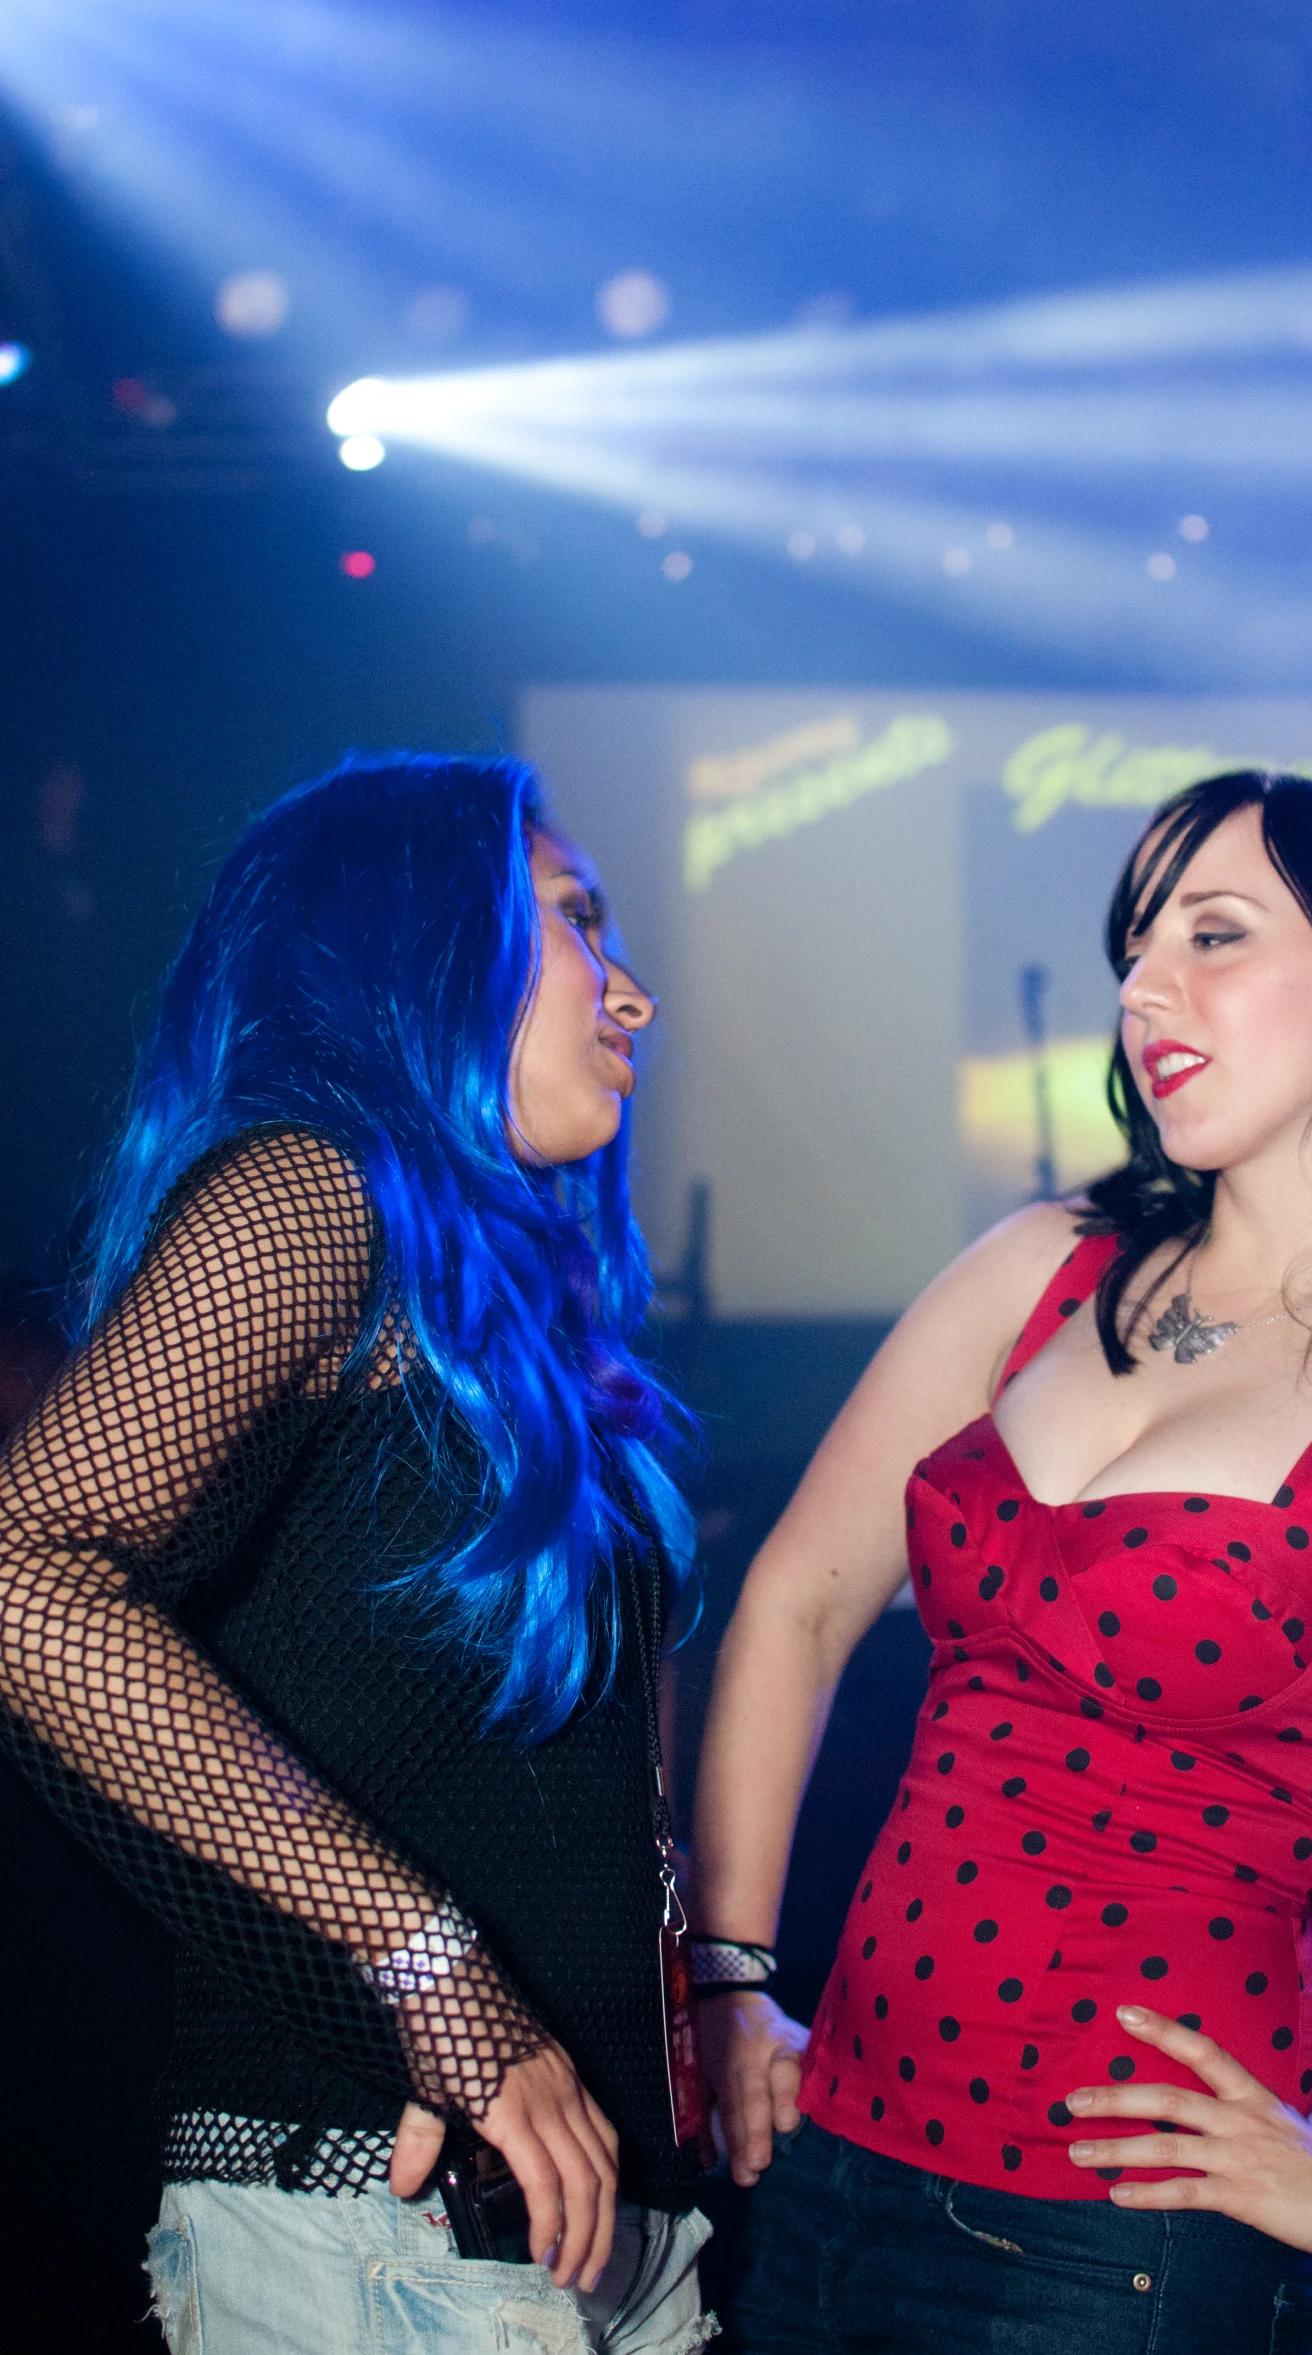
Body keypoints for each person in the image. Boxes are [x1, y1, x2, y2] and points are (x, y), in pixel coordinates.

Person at [691, 770, 1312, 2355]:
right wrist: (730, 1974)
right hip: (830, 2164)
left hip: (1117, 2254)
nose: (1146, 989)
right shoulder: (1045, 1263)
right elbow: (798, 1596)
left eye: (1213, 936)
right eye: (1137, 950)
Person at [0, 754, 718, 2355]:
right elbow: (24, 1576)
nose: (633, 994)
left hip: (596, 2242)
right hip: (382, 2233)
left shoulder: (495, 1296)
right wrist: (436, 1977)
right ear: (422, 942)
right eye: (577, 925)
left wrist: (710, 1983)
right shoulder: (312, 1191)